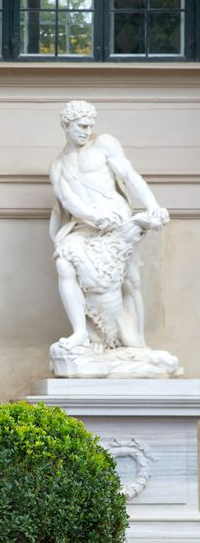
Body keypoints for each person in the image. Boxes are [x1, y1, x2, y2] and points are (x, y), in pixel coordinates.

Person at [49, 100, 169, 353]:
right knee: (63, 263)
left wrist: (152, 205)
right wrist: (92, 216)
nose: (86, 130)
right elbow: (69, 200)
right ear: (67, 125)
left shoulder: (103, 143)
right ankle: (80, 333)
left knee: (131, 280)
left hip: (117, 219)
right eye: (81, 126)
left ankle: (139, 343)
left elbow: (128, 175)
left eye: (90, 125)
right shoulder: (58, 166)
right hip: (85, 226)